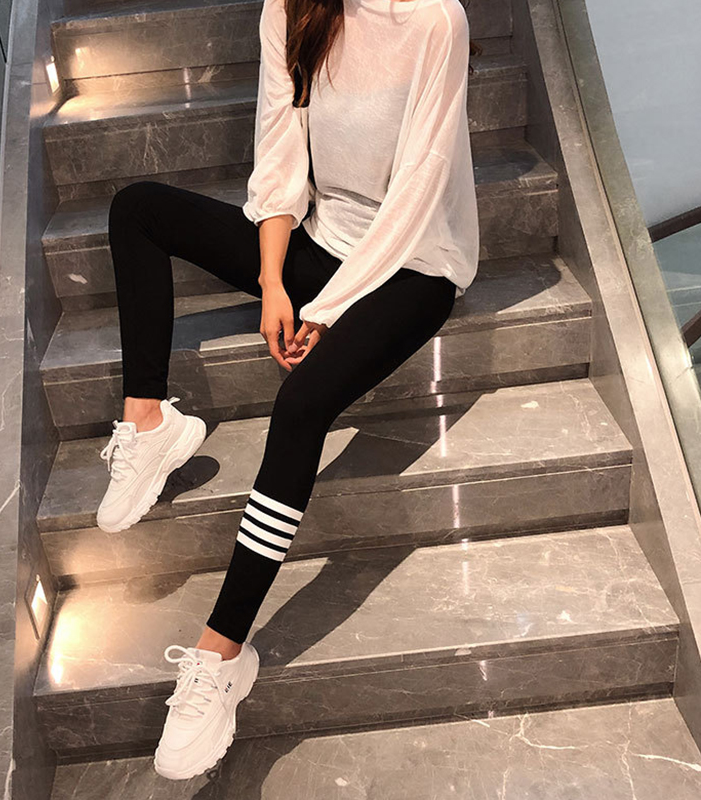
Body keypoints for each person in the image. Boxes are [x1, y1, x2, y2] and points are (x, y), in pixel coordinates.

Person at [98, 0, 479, 781]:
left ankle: (221, 655)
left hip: (412, 266)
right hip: (319, 245)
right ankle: (150, 421)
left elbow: (418, 192)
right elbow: (280, 154)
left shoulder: (435, 20)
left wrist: (327, 312)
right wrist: (274, 282)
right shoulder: (296, 5)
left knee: (302, 404)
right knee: (138, 208)